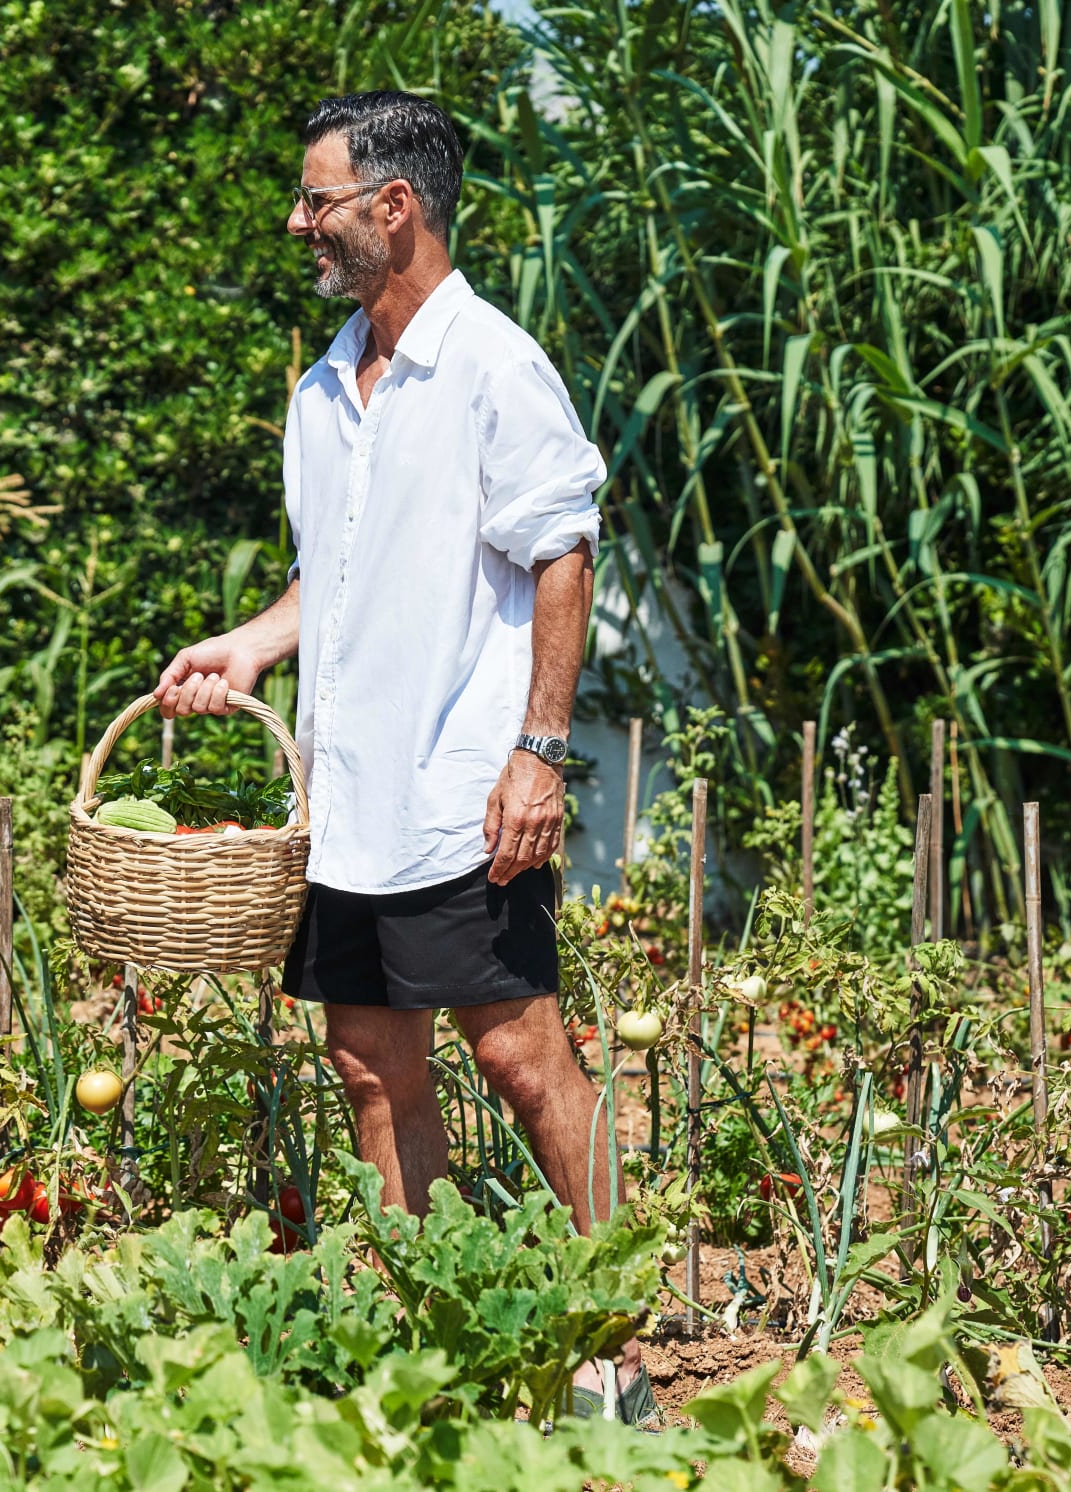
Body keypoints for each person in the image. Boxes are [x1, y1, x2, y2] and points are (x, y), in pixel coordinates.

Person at [154, 92, 648, 1421]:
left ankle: (617, 1347)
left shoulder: (492, 366)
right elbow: (335, 575)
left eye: (316, 199)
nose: (297, 222)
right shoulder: (326, 383)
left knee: (521, 1059)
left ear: (394, 206)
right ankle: (434, 1345)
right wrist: (250, 645)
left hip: (457, 791)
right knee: (370, 1066)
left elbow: (562, 553)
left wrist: (538, 752)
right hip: (347, 799)